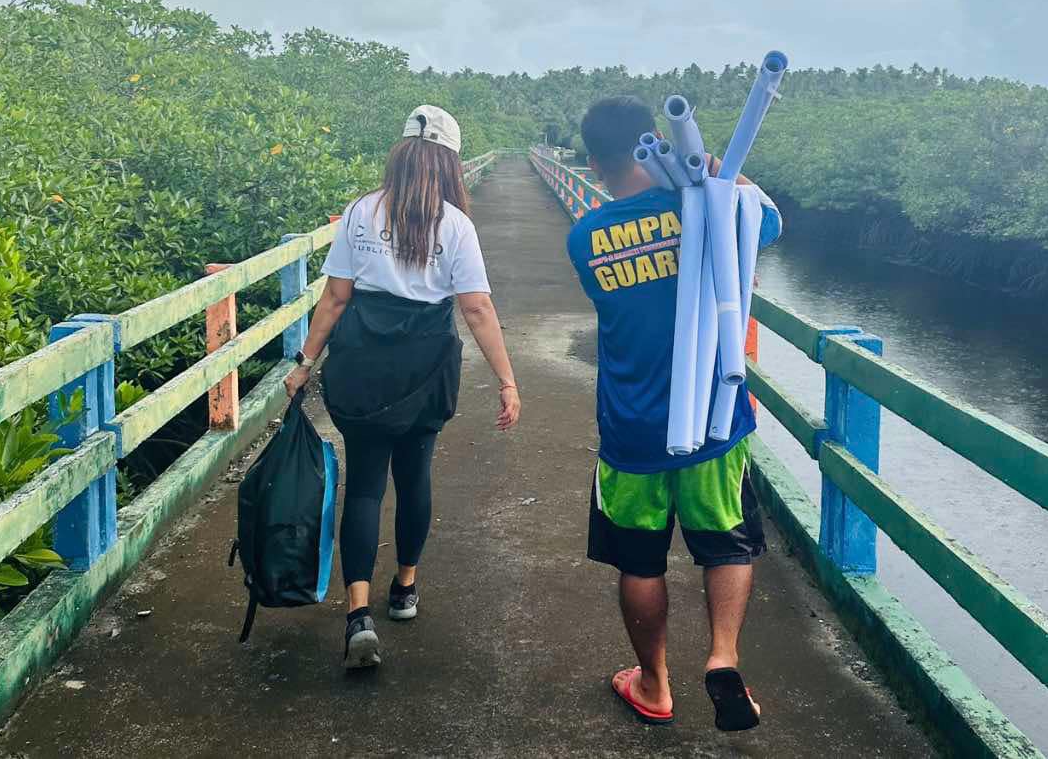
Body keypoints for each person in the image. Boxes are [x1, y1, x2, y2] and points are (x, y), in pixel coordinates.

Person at [566, 96, 782, 731]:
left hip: (633, 427)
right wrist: (721, 175)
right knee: (726, 542)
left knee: (639, 559)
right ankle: (722, 658)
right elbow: (769, 224)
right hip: (716, 415)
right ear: (654, 138)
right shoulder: (711, 209)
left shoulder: (584, 238)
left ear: (591, 162)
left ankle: (655, 685)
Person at [284, 104, 521, 669]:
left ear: (400, 154)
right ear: (449, 164)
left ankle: (357, 614)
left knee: (364, 486)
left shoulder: (361, 213)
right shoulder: (455, 225)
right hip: (425, 368)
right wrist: (507, 381)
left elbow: (336, 298)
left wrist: (304, 362)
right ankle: (405, 589)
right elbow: (477, 308)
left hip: (361, 364)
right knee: (414, 478)